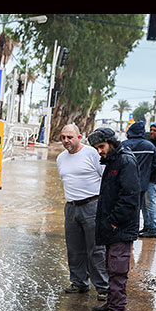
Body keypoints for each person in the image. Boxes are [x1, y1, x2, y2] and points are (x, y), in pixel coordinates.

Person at [87, 127, 141, 311]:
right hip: (114, 226)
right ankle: (112, 303)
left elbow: (130, 198)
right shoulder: (114, 159)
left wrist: (113, 222)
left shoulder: (125, 161)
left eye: (101, 146)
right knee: (111, 266)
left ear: (111, 143)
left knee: (118, 269)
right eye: (96, 148)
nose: (99, 151)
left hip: (120, 227)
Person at [57, 124, 109, 301]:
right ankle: (79, 283)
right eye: (63, 137)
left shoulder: (92, 154)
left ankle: (103, 287)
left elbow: (106, 178)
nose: (66, 140)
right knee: (74, 248)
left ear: (80, 137)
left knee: (96, 249)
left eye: (70, 137)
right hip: (71, 207)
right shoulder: (60, 158)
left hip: (92, 206)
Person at [120, 121, 156, 228]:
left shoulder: (124, 145)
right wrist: (147, 171)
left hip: (125, 183)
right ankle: (135, 229)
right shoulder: (150, 146)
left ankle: (125, 228)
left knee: (125, 206)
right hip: (142, 183)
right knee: (138, 207)